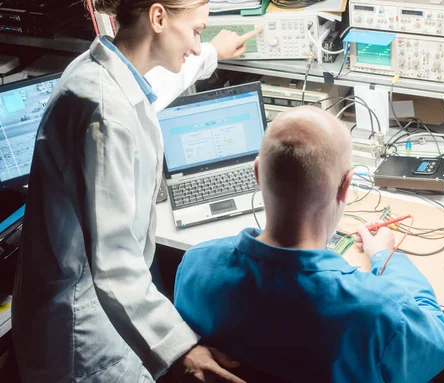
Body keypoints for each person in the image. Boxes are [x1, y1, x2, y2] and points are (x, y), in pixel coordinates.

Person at [11, 0, 260, 381]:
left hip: (85, 309)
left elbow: (154, 86)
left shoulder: (98, 68)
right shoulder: (105, 113)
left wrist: (211, 53)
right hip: (84, 334)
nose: (196, 44)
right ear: (158, 17)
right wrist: (181, 349)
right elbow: (115, 263)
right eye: (196, 31)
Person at [174, 106, 444, 382]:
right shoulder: (379, 311)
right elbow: (440, 342)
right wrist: (385, 255)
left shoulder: (196, 264)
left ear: (258, 173)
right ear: (346, 185)